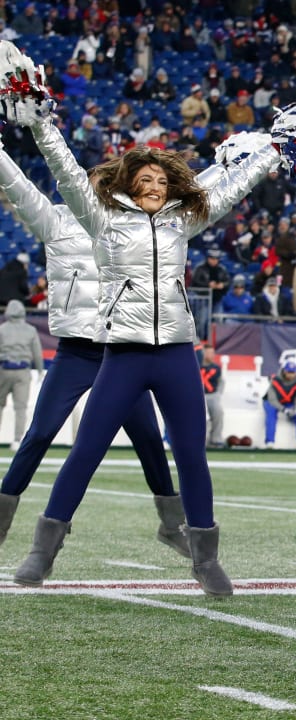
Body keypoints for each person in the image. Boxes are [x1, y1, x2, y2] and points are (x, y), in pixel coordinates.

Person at [8, 89, 286, 595]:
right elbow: (69, 173)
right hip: (125, 356)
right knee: (85, 450)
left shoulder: (184, 221)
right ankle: (42, 551)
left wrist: (274, 150)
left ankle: (205, 559)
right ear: (129, 185)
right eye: (146, 179)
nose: (155, 185)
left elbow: (231, 190)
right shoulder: (103, 220)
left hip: (178, 354)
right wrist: (41, 124)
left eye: (162, 180)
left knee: (191, 454)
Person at [0, 141, 213, 560]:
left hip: (123, 351)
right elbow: (19, 186)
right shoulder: (56, 222)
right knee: (40, 433)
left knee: (151, 440)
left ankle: (171, 526)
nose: (98, 191)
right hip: (78, 352)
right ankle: (4, 517)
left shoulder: (133, 227)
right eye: (94, 184)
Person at [0, 299, 41, 449]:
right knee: (21, 408)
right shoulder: (31, 330)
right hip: (23, 372)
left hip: (4, 369)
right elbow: (37, 352)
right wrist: (40, 370)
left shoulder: (2, 329)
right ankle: (17, 440)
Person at [262, 361, 296, 449]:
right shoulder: (275, 380)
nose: (291, 375)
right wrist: (284, 409)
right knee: (271, 414)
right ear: (284, 371)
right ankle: (269, 441)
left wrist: (295, 409)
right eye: (289, 372)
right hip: (272, 402)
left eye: (293, 373)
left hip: (288, 402)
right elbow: (272, 399)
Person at [199, 344, 224, 449]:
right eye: (209, 352)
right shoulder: (197, 365)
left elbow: (221, 382)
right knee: (201, 418)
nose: (211, 355)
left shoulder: (216, 368)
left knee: (218, 412)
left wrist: (218, 393)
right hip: (200, 396)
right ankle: (201, 440)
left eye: (212, 353)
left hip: (212, 395)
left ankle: (215, 438)